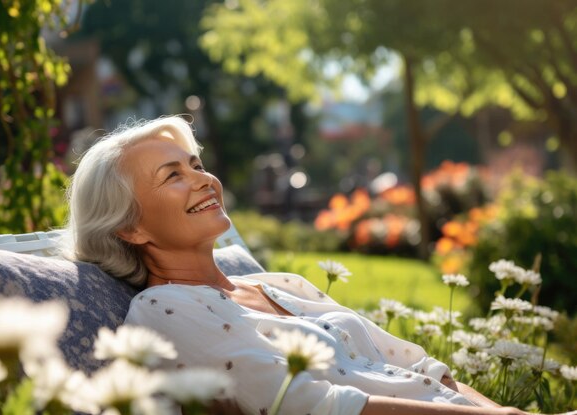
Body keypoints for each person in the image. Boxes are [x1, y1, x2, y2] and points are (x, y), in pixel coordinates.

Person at [63, 115, 545, 415]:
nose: (204, 179)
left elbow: (423, 367)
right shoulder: (162, 310)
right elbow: (313, 408)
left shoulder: (282, 284)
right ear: (130, 229)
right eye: (174, 175)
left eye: (195, 164)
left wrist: (504, 412)